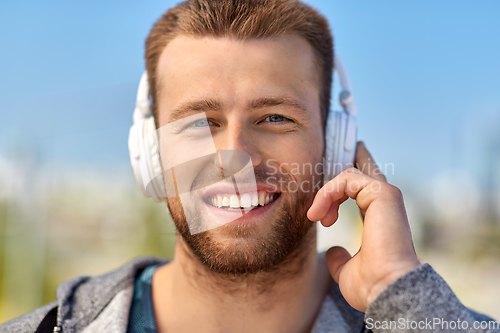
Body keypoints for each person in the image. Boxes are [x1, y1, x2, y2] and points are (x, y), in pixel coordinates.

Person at [1, 0, 498, 332]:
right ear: (150, 154)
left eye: (275, 117)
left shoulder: (419, 318)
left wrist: (401, 300)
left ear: (335, 146)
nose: (235, 156)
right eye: (199, 122)